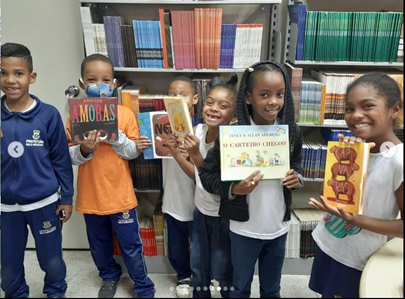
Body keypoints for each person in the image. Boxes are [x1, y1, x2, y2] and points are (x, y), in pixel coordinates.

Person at [199, 61, 304, 298]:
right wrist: (234, 188)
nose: (273, 101)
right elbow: (206, 174)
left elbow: (296, 165)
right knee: (239, 288)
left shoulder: (291, 132)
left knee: (272, 289)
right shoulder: (232, 136)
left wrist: (297, 178)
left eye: (279, 94)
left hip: (278, 226)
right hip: (242, 229)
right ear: (248, 97)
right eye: (264, 94)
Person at [66, 53, 155, 298]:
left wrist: (115, 133)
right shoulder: (75, 117)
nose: (99, 85)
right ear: (82, 83)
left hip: (120, 195)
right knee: (99, 244)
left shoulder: (125, 114)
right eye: (92, 80)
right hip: (90, 195)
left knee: (131, 244)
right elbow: (67, 157)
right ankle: (108, 275)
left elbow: (131, 153)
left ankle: (142, 283)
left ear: (114, 84)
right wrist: (85, 149)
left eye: (106, 80)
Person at [308, 73, 404, 298]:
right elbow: (328, 197)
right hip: (330, 245)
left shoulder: (398, 160)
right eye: (349, 109)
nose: (356, 115)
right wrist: (345, 159)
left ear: (395, 110)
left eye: (368, 106)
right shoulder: (356, 150)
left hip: (359, 260)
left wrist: (355, 219)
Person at [1, 42, 74, 298]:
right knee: (8, 267)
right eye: (3, 73)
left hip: (44, 203)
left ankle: (56, 292)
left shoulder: (49, 115)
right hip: (6, 207)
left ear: (31, 77)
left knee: (51, 260)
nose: (10, 80)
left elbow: (61, 160)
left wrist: (66, 197)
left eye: (18, 73)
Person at [166, 74, 238, 298]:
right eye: (210, 103)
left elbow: (213, 182)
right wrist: (176, 153)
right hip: (201, 212)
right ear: (202, 104)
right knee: (198, 267)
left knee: (223, 269)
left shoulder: (231, 141)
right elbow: (195, 176)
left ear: (234, 115)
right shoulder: (197, 132)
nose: (214, 109)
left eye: (223, 106)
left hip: (223, 216)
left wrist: (196, 154)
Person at [162, 76, 199, 298]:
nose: (176, 98)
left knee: (200, 243)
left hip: (199, 201)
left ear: (194, 99)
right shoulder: (159, 123)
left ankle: (202, 274)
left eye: (182, 94)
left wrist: (192, 154)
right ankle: (183, 276)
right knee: (176, 244)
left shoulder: (202, 128)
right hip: (173, 198)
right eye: (172, 94)